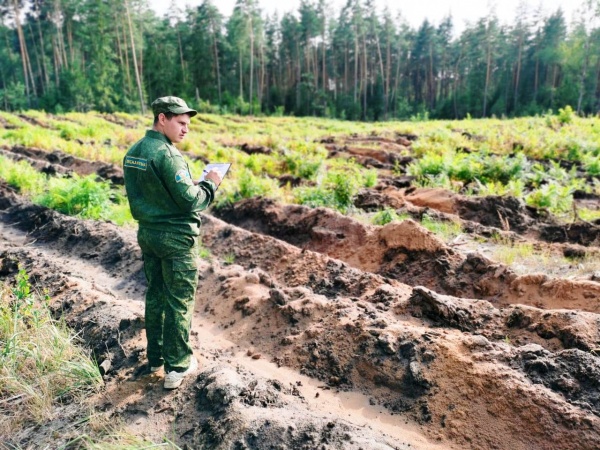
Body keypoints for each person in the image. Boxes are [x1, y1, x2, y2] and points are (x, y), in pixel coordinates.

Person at [123, 96, 221, 389]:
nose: (185, 129)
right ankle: (177, 367)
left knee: (155, 296)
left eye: (188, 124)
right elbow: (191, 201)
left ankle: (155, 359)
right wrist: (209, 184)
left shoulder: (134, 152)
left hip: (149, 234)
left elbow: (153, 192)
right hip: (176, 239)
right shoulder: (168, 155)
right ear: (162, 118)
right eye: (180, 122)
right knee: (179, 301)